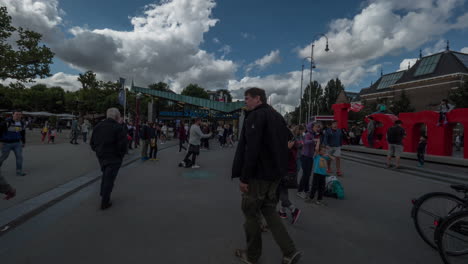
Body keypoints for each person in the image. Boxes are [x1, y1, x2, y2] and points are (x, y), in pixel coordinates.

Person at [232, 87, 302, 264]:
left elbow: (251, 149)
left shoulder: (255, 116)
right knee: (269, 210)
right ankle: (290, 251)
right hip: (275, 175)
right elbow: (290, 140)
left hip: (259, 175)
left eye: (247, 98)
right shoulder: (277, 117)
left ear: (258, 99)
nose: (245, 101)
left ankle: (252, 255)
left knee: (250, 213)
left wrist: (244, 177)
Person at [90, 108, 127, 210]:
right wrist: (120, 155)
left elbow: (92, 143)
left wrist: (98, 151)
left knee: (106, 175)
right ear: (116, 116)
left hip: (101, 156)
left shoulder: (98, 126)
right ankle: (105, 201)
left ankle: (103, 194)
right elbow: (123, 145)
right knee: (109, 179)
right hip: (114, 157)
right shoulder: (118, 128)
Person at [278, 130, 301, 225]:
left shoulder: (289, 148)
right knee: (284, 191)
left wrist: (286, 149)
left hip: (286, 173)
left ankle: (293, 209)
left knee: (279, 192)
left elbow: (282, 159)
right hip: (291, 173)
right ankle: (282, 211)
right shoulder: (294, 146)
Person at [296, 122, 320, 199]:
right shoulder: (308, 134)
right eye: (316, 127)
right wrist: (313, 140)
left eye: (318, 127)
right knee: (305, 174)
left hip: (310, 157)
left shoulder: (313, 135)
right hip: (305, 157)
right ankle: (299, 191)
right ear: (311, 127)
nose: (317, 128)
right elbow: (305, 142)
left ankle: (306, 189)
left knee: (308, 174)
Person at [0, 111, 27, 176]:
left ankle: (19, 171)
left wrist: (23, 142)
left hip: (17, 143)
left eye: (20, 114)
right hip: (6, 143)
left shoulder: (21, 123)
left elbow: (22, 133)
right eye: (16, 114)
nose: (18, 116)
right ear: (13, 115)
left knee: (19, 157)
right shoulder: (6, 122)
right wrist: (0, 142)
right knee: (4, 157)